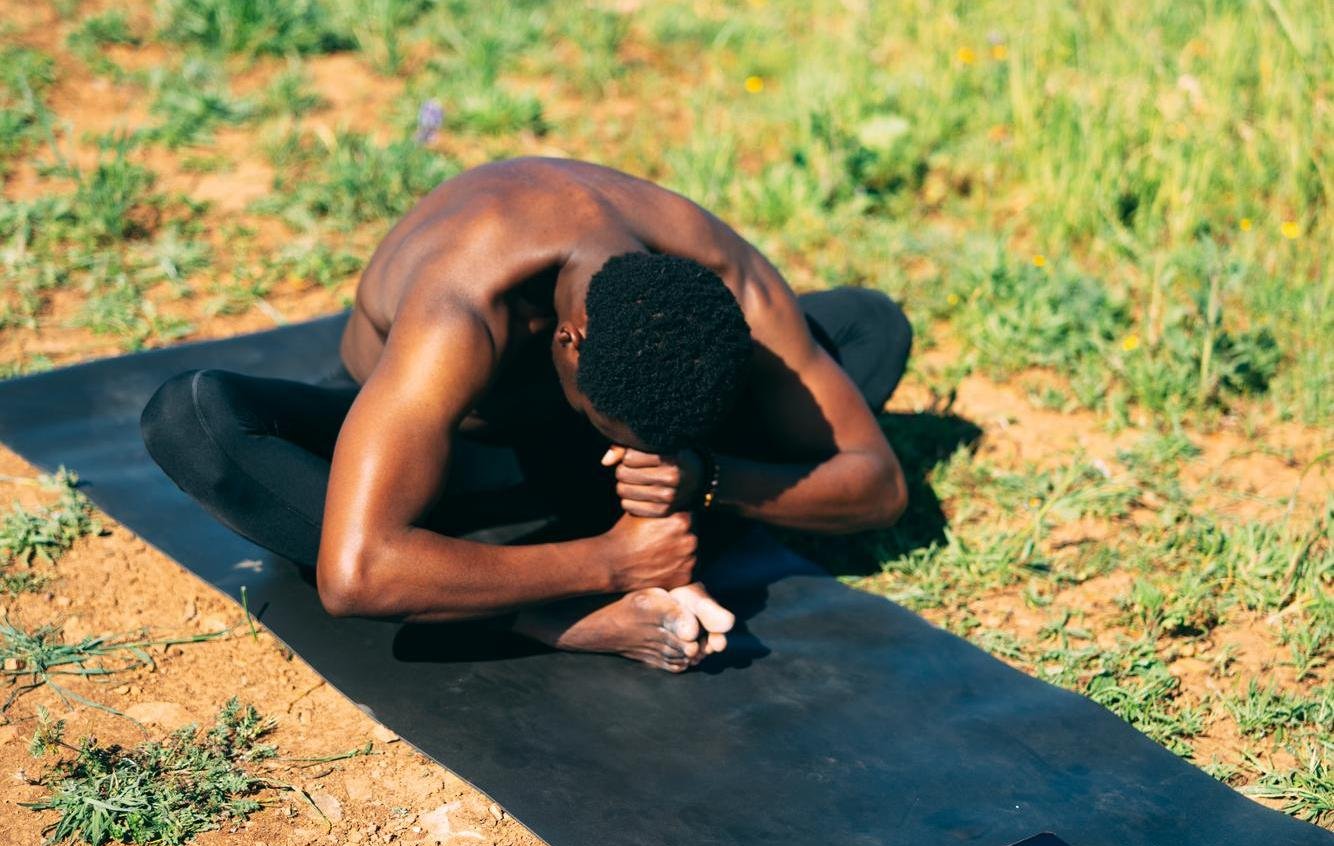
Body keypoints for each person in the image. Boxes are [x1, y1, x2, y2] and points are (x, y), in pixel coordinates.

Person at [141, 157, 912, 673]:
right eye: (615, 433)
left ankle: (548, 549)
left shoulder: (725, 275)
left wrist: (704, 477)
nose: (627, 456)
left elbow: (879, 487)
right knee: (195, 418)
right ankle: (543, 617)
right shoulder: (464, 306)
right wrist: (613, 564)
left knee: (867, 326)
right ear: (570, 344)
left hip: (593, 472)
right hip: (465, 458)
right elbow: (357, 574)